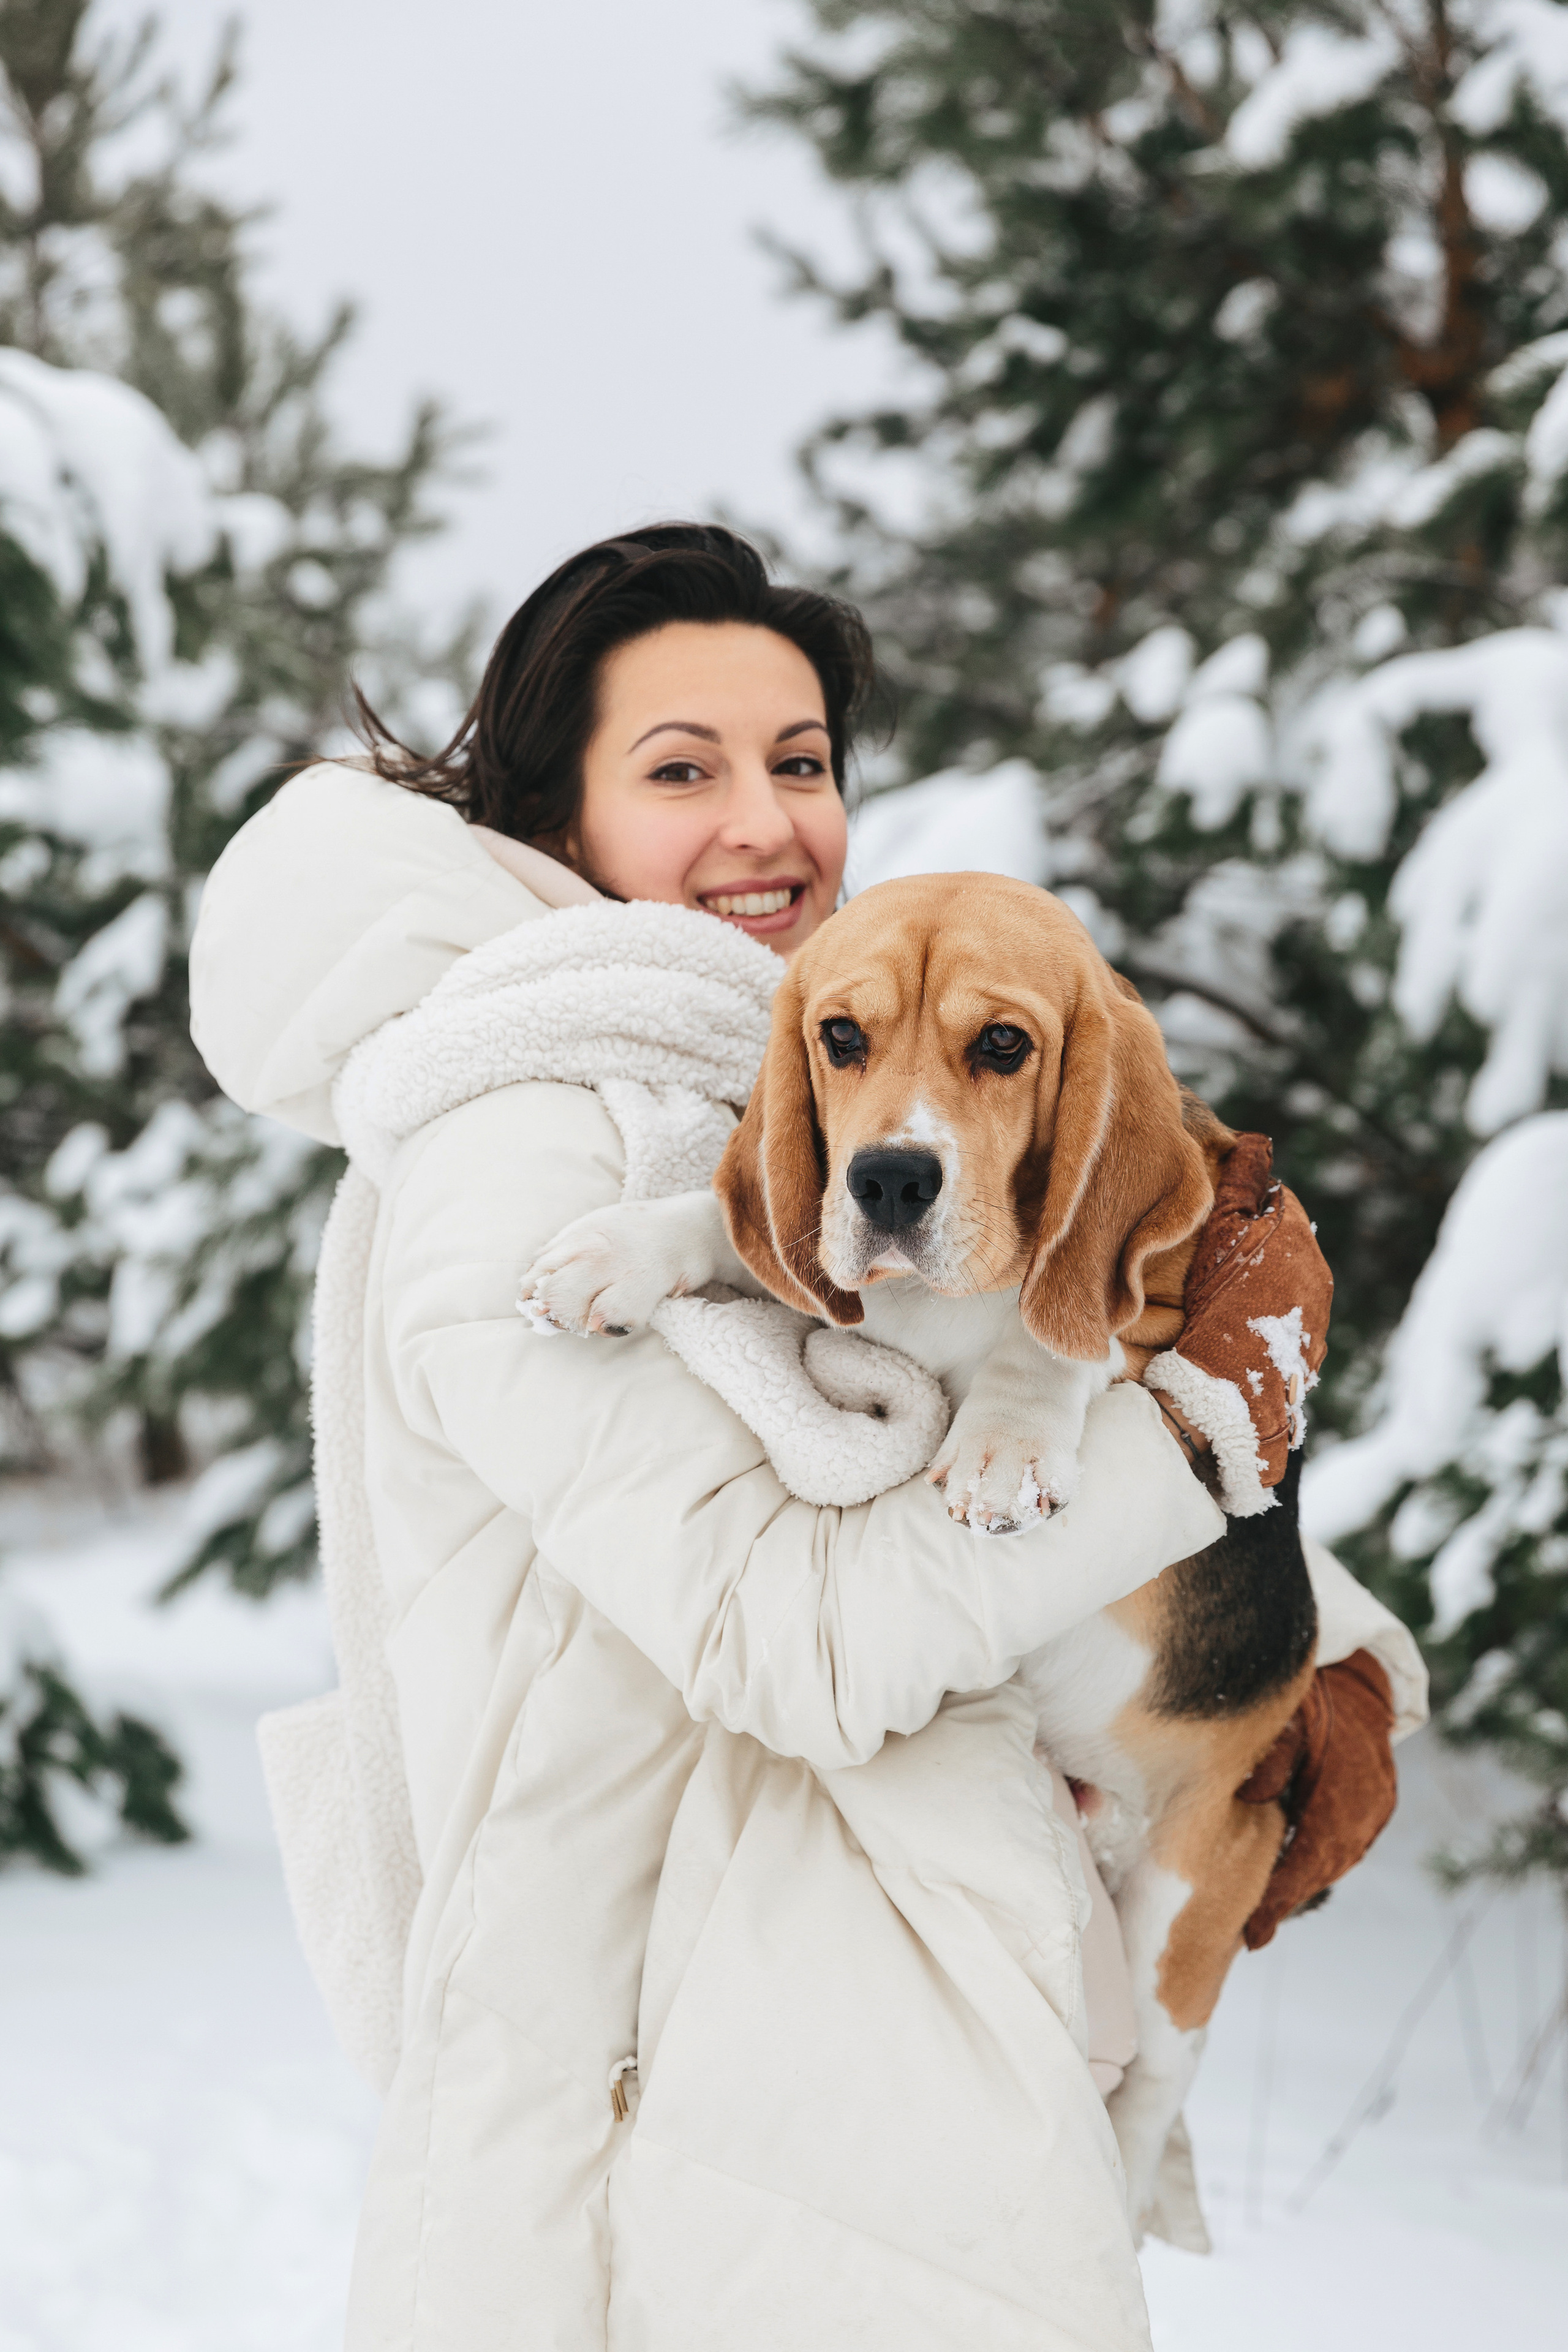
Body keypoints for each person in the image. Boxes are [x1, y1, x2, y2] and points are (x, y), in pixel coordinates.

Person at [189, 525, 1422, 2351]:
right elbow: (805, 1641)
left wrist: (1305, 1658)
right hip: (701, 2117)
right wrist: (1197, 1426)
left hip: (870, 2064)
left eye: (803, 762)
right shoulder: (515, 1142)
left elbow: (953, 1421)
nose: (767, 822)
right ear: (554, 813)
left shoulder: (767, 1059)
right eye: (682, 769)